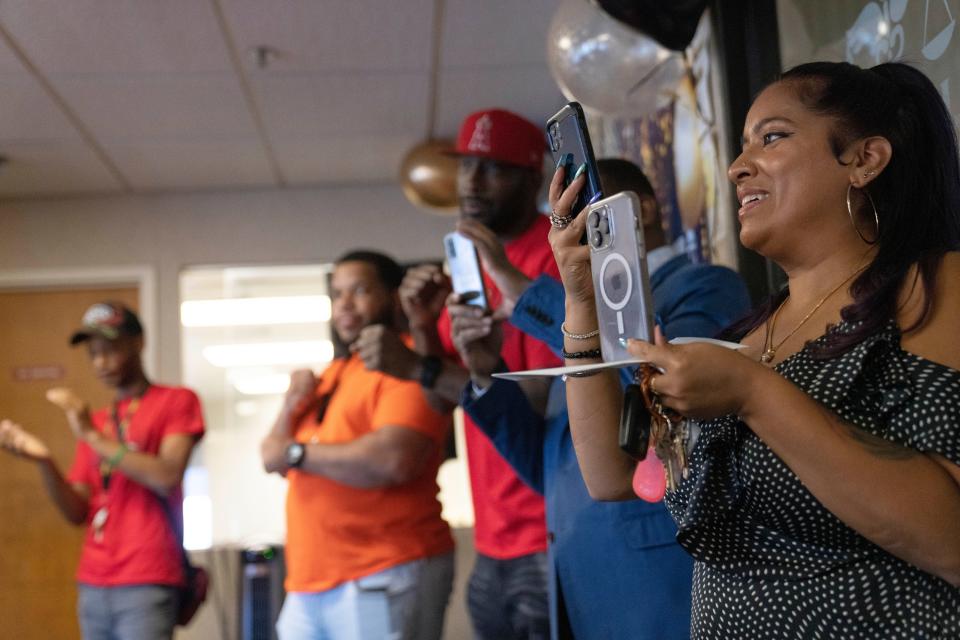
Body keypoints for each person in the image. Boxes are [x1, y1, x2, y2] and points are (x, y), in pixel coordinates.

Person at [548, 61, 960, 638]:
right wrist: (581, 300)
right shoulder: (752, 335)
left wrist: (754, 394)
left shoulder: (934, 287)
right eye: (742, 147)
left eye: (772, 137)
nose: (739, 168)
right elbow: (611, 476)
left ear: (865, 160)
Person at [448, 158, 751, 639]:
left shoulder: (704, 284)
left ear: (642, 209)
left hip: (655, 587)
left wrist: (529, 293)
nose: (569, 236)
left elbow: (670, 388)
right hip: (579, 588)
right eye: (560, 222)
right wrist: (487, 370)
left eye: (582, 215)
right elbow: (549, 466)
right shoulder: (573, 324)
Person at [362, 109, 559, 640]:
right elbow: (447, 398)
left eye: (492, 168)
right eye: (466, 165)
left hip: (550, 531)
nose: (470, 182)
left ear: (531, 177)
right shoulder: (465, 262)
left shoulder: (557, 254)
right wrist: (424, 329)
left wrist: (418, 364)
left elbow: (545, 399)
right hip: (490, 537)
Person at [260, 250, 455, 640]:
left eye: (359, 291)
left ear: (393, 297)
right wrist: (288, 406)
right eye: (337, 294)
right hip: (308, 581)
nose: (344, 305)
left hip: (384, 570)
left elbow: (391, 459)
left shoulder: (406, 363)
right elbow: (270, 455)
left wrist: (298, 453)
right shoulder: (334, 373)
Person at [0, 302, 205, 640]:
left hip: (147, 578)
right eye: (93, 353)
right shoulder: (96, 421)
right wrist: (44, 461)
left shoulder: (176, 401)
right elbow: (77, 511)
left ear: (138, 343)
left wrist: (92, 437)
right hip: (93, 583)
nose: (101, 362)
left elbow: (167, 476)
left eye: (110, 350)